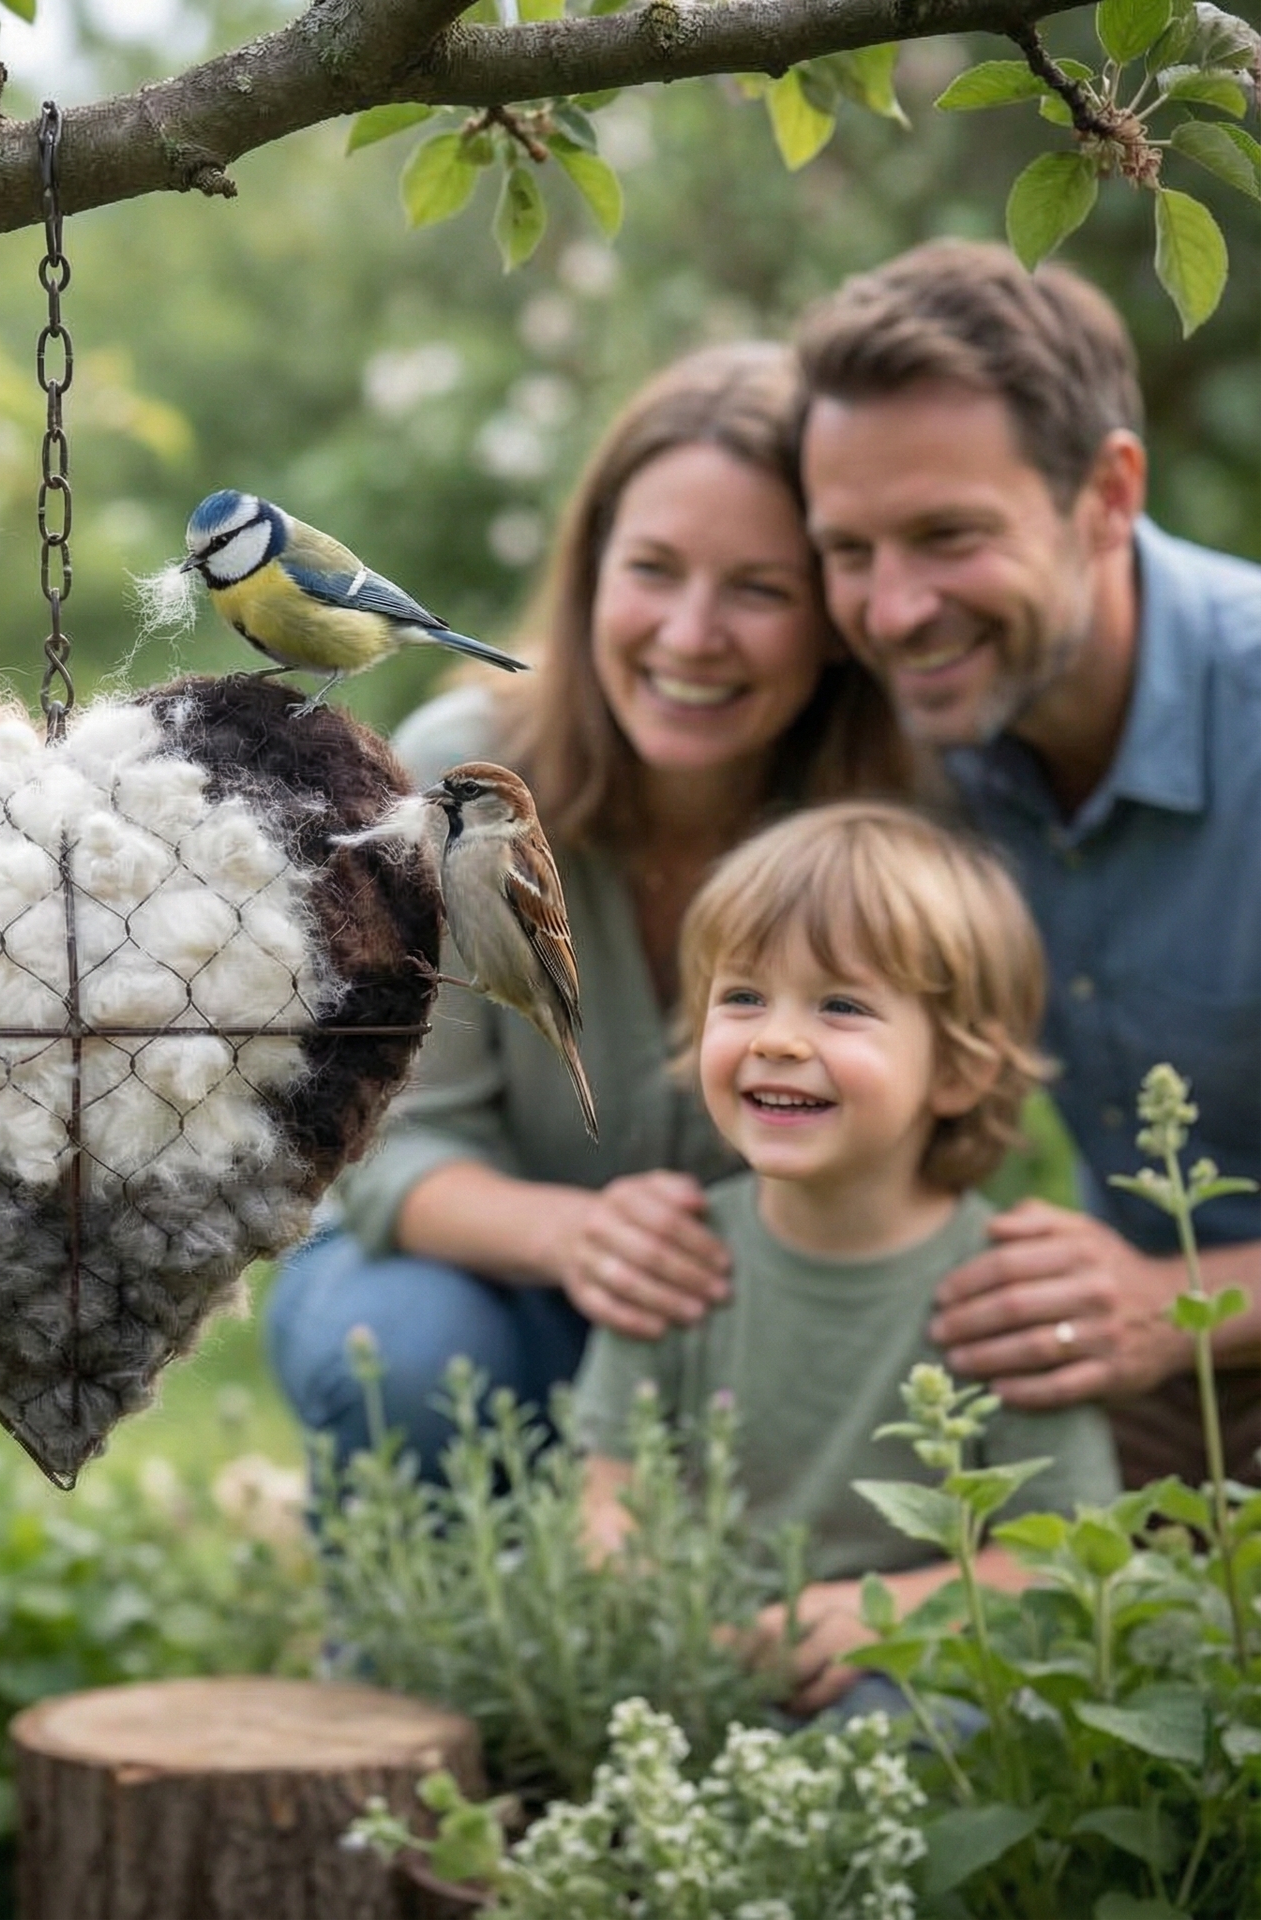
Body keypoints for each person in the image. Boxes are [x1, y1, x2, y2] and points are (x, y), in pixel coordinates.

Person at [597, 242, 1261, 1489]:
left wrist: (1173, 1301)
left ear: (1110, 494)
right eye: (849, 552)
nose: (895, 612)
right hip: (1135, 1363)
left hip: (1170, 1318)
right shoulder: (899, 745)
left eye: (949, 536)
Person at [265, 342, 920, 1473]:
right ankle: (408, 1642)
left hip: (744, 1301)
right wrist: (579, 1239)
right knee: (409, 1356)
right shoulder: (458, 777)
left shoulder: (882, 823)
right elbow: (391, 1143)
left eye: (760, 587)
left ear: (833, 613)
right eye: (654, 569)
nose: (690, 633)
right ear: (590, 576)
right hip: (473, 1272)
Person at [574, 801, 1121, 1715]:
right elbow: (604, 1505)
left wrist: (885, 1617)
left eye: (841, 1006)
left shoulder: (1002, 1286)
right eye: (742, 996)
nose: (779, 1038)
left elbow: (1061, 1551)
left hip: (909, 1675)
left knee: (915, 1725)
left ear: (959, 1068)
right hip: (707, 1663)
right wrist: (688, 1630)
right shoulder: (682, 1254)